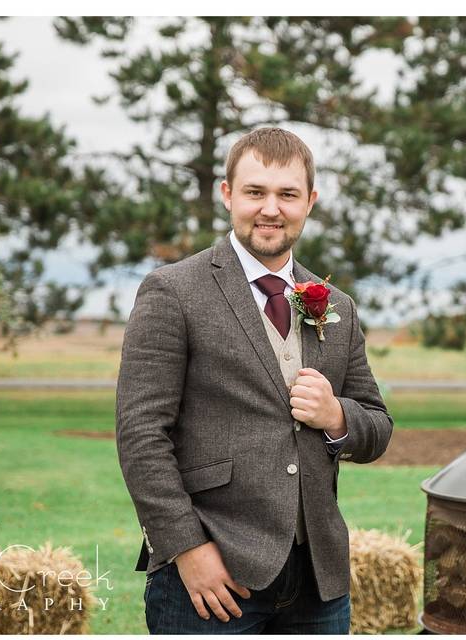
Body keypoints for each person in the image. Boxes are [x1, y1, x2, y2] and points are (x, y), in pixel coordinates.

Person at [116, 127, 393, 634]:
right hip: (211, 579)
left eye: (287, 194)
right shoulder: (172, 291)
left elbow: (377, 427)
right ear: (228, 194)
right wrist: (187, 549)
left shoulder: (338, 307)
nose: (271, 208)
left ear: (309, 202)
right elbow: (141, 437)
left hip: (318, 584)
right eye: (255, 192)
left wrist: (336, 416)